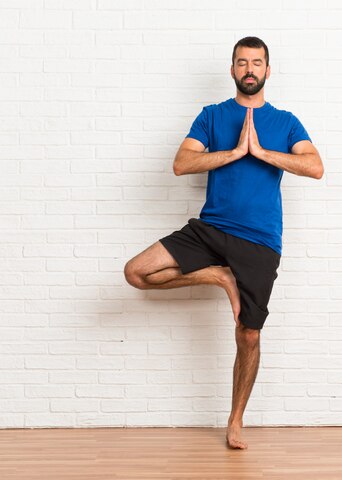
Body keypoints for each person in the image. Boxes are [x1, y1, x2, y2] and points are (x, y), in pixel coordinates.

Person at [123, 36, 323, 449]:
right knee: (136, 273)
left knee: (248, 333)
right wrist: (234, 152)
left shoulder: (286, 122)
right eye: (241, 62)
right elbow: (182, 163)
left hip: (260, 241)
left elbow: (315, 166)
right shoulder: (212, 116)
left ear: (268, 70)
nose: (249, 69)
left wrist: (263, 152)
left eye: (257, 63)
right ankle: (217, 276)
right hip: (211, 229)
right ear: (232, 70)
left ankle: (235, 421)